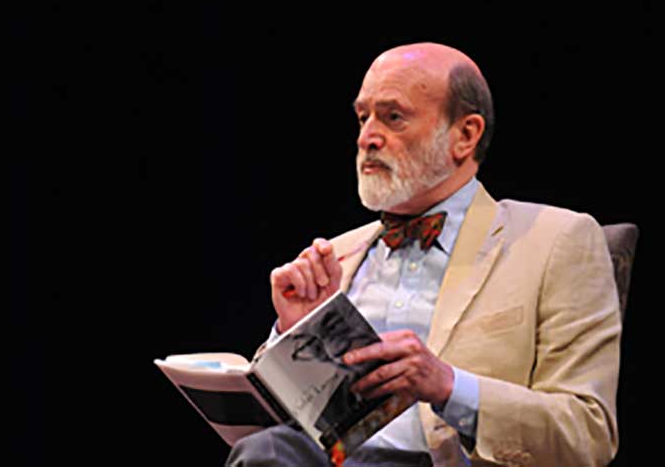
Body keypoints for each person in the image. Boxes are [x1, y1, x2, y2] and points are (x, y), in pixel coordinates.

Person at [226, 43, 621, 467]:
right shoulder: (333, 257)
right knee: (268, 449)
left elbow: (588, 433)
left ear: (465, 135)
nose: (366, 137)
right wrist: (297, 334)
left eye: (393, 117)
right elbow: (283, 430)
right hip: (327, 460)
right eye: (363, 117)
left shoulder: (555, 240)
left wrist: (449, 386)